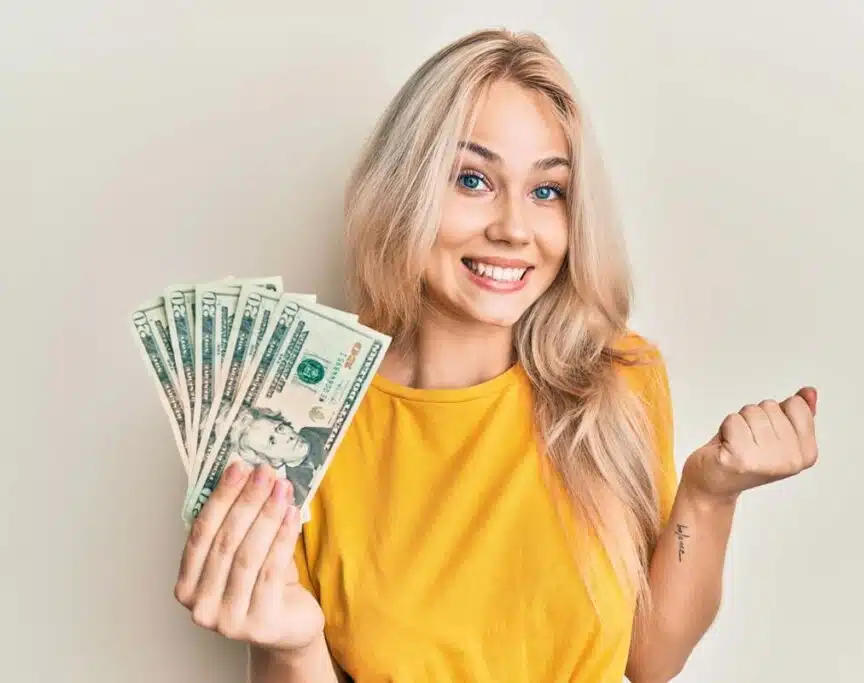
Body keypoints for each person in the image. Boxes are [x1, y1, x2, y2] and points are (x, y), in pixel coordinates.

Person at [172, 28, 820, 683]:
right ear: (404, 188)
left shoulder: (619, 379)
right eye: (474, 179)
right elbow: (294, 651)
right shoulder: (305, 414)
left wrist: (709, 495)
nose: (513, 227)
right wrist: (290, 647)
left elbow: (651, 659)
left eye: (547, 191)